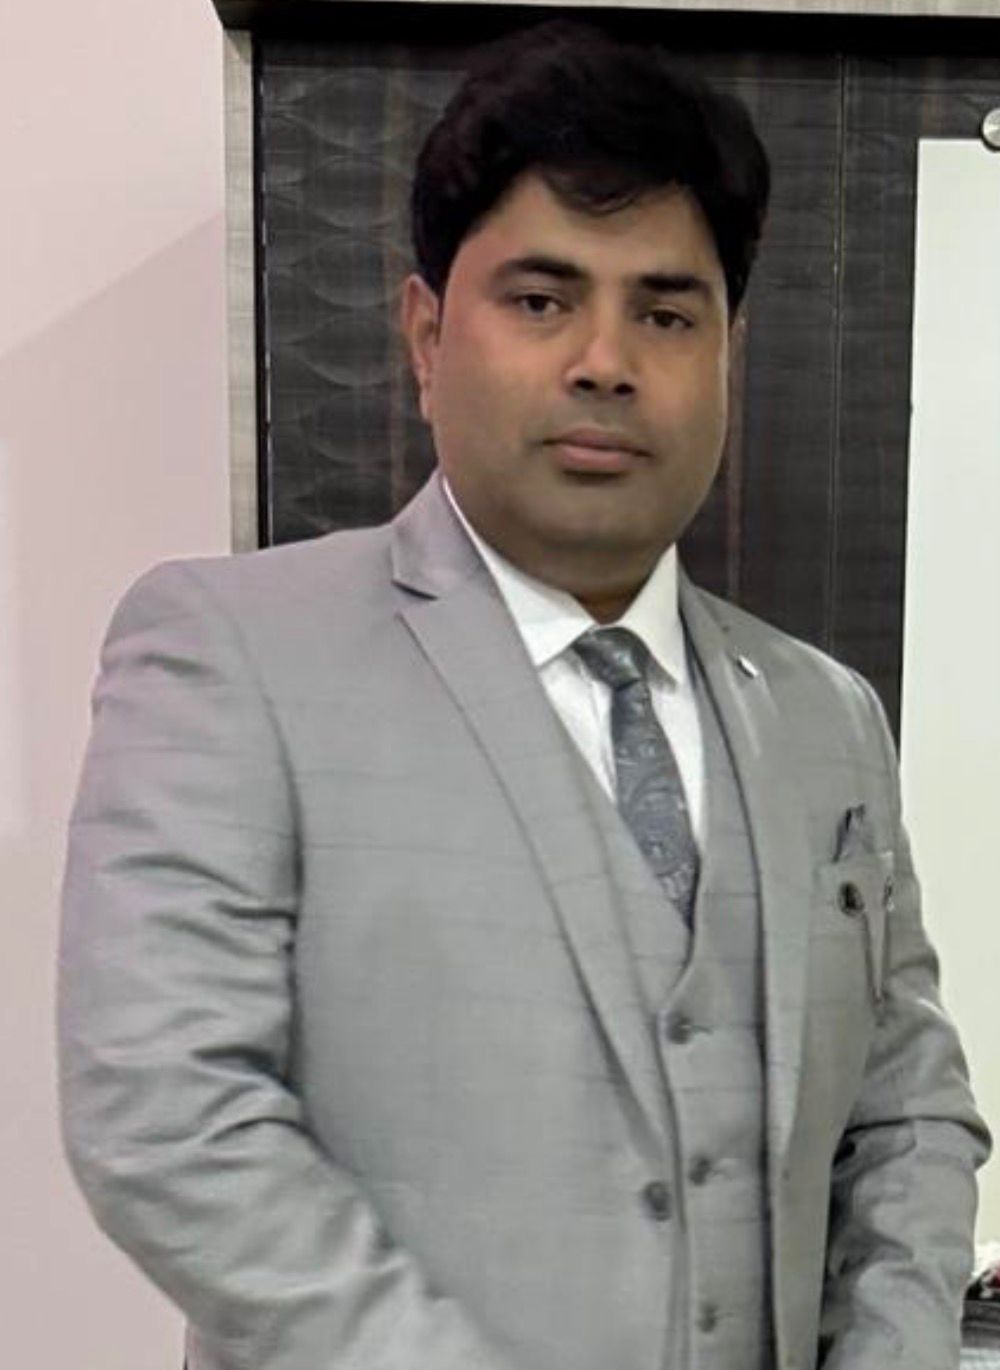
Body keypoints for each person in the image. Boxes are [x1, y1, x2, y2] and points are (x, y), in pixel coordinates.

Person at [59, 21, 989, 1370]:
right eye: (543, 300)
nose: (606, 361)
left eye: (665, 313)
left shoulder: (825, 714)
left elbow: (909, 1111)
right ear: (427, 335)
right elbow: (169, 1120)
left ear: (727, 352)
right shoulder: (230, 656)